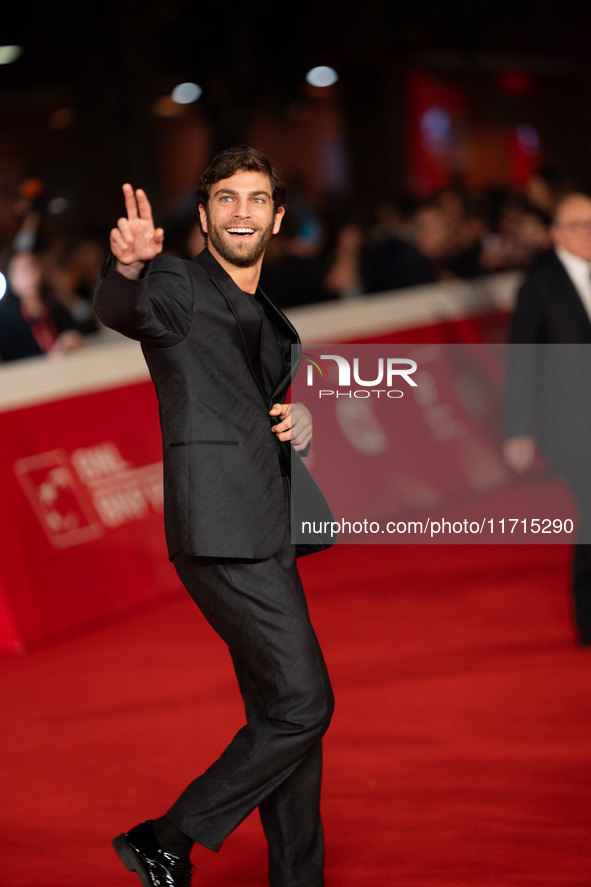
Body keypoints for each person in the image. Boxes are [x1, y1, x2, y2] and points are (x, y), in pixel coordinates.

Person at [93, 146, 334, 887]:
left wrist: (297, 422)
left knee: (283, 716)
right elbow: (125, 310)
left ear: (277, 217)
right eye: (225, 199)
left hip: (265, 521)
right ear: (201, 216)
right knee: (304, 703)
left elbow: (249, 393)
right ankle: (166, 835)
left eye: (256, 199)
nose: (240, 211)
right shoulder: (178, 284)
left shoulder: (262, 304)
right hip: (222, 529)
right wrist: (130, 266)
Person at [504, 191, 591, 647]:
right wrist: (518, 427)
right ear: (556, 233)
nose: (589, 233)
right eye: (579, 225)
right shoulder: (539, 285)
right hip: (571, 425)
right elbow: (522, 361)